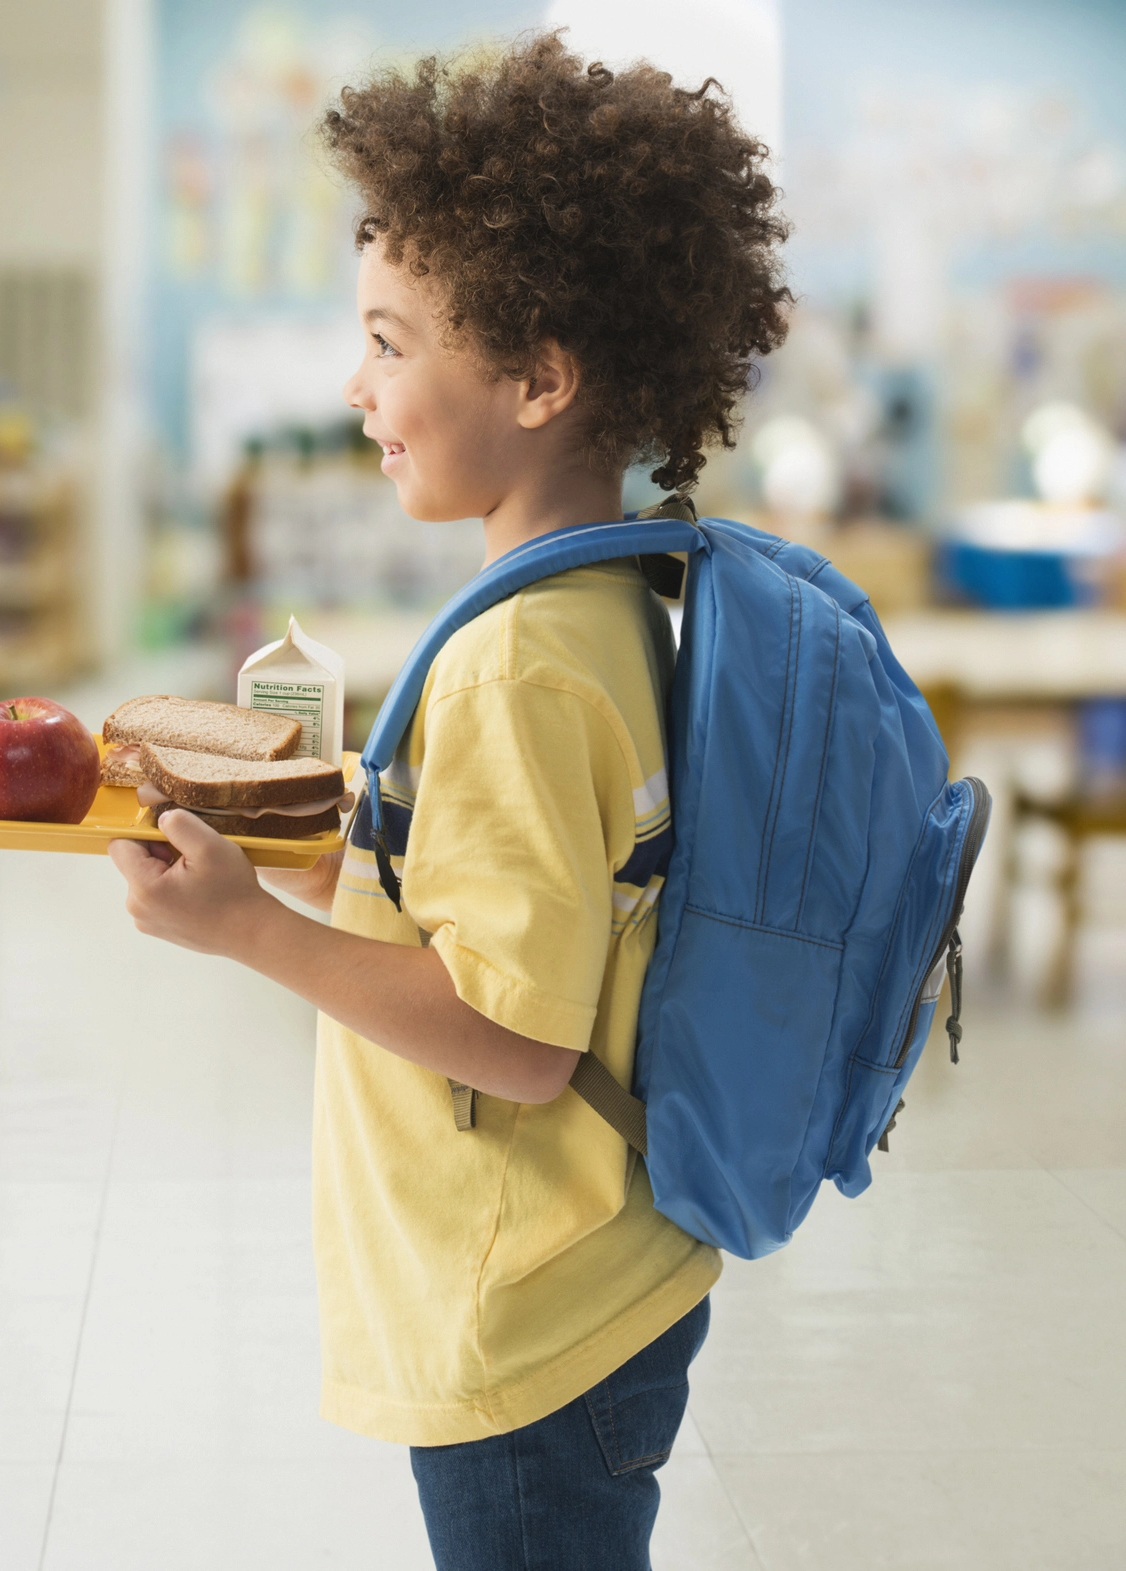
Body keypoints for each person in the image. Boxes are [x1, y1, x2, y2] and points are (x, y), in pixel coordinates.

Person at [108, 32, 791, 1571]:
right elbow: (531, 892)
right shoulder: (604, 596)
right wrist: (321, 845)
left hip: (523, 1305)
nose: (357, 385)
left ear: (540, 376)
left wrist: (245, 935)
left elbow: (520, 1038)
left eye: (392, 341)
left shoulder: (512, 666)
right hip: (588, 1272)